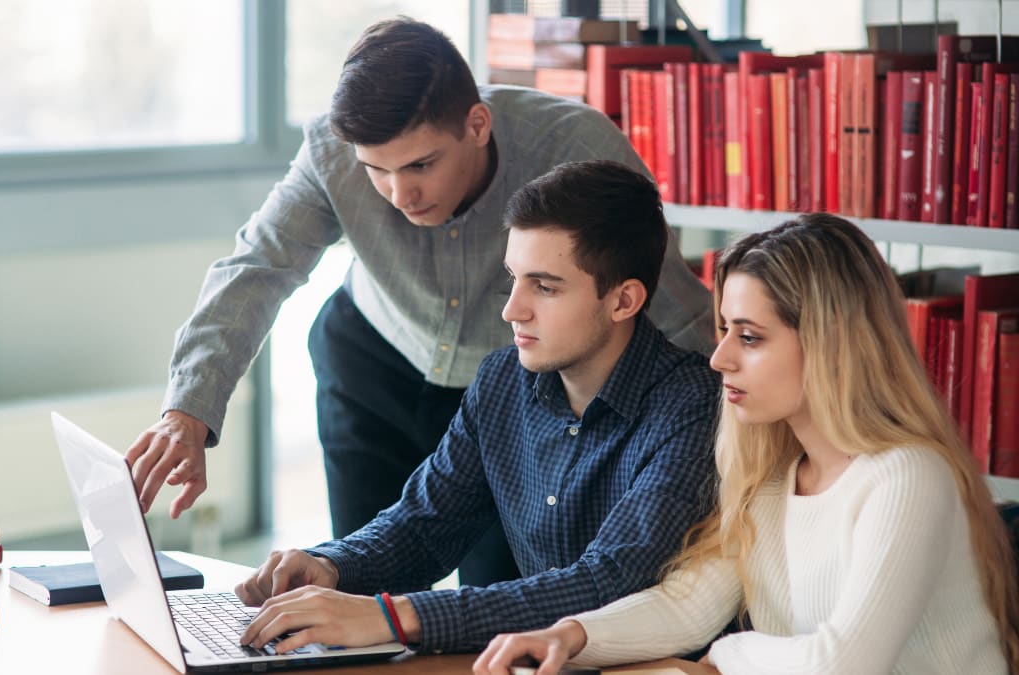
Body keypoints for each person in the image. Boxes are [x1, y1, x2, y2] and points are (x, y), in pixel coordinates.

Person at [123, 17, 714, 587]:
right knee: (353, 576)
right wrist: (188, 411)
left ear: (477, 124)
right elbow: (258, 267)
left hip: (508, 392)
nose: (399, 194)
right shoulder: (331, 152)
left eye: (421, 165)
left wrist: (732, 426)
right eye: (375, 171)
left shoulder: (575, 146)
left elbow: (664, 298)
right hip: (372, 366)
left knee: (497, 595)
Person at [474, 214, 1019, 675]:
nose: (720, 359)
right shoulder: (774, 480)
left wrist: (723, 655)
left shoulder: (907, 475)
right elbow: (687, 605)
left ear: (832, 346)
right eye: (724, 330)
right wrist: (569, 637)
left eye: (750, 337)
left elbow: (841, 664)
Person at [232, 160, 720, 656]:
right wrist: (331, 565)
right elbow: (425, 525)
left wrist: (394, 617)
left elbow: (607, 585)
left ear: (623, 301)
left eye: (545, 287)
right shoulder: (502, 380)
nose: (512, 309)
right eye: (514, 279)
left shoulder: (694, 408)